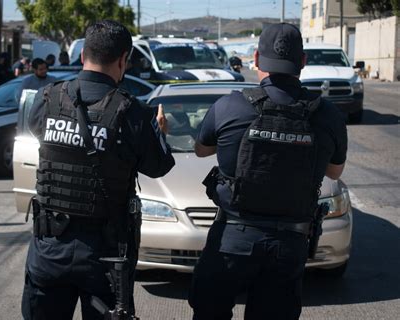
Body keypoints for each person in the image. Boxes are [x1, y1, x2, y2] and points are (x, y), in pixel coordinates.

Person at [189, 23, 347, 320]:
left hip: (232, 238)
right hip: (288, 245)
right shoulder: (328, 114)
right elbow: (335, 172)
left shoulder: (229, 106)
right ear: (302, 62)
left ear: (257, 60)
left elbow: (201, 149)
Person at [21, 20, 175, 320]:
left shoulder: (47, 98)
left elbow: (39, 133)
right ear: (123, 60)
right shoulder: (134, 113)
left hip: (50, 248)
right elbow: (159, 167)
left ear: (83, 56)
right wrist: (160, 134)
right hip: (106, 256)